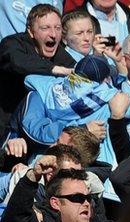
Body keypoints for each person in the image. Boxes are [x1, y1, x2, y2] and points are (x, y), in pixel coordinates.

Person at [0, 4, 76, 134]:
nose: (53, 34)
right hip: (6, 124)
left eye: (57, 28)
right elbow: (18, 62)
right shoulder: (12, 43)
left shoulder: (59, 53)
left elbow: (75, 69)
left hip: (38, 127)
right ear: (31, 31)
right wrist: (54, 69)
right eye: (45, 28)